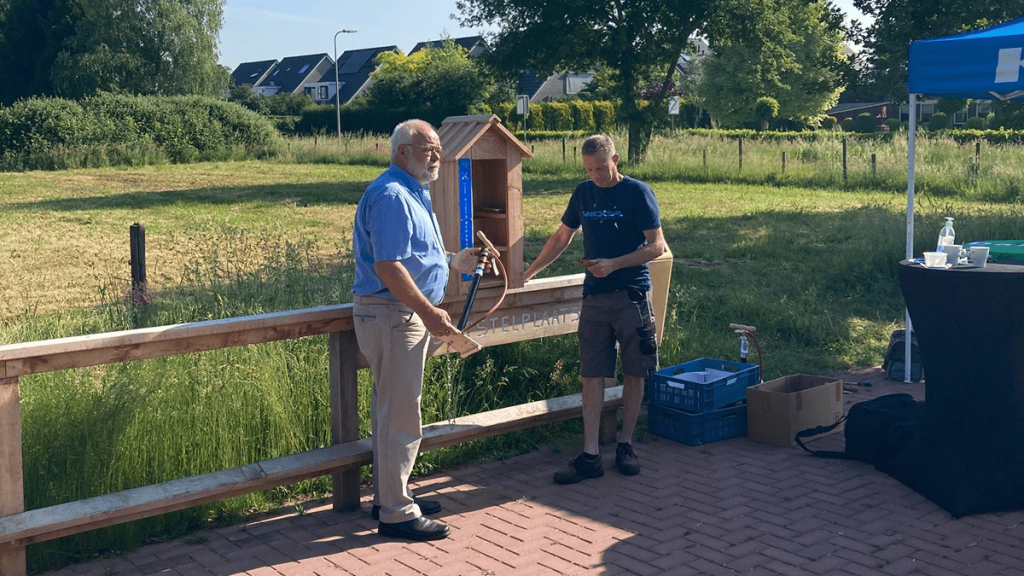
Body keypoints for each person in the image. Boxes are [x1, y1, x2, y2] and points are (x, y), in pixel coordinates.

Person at [352, 119, 482, 541]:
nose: (437, 158)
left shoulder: (411, 192)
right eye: (430, 150)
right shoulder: (392, 195)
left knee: (392, 409)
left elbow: (412, 254)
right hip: (395, 316)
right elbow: (388, 267)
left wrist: (452, 261)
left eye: (438, 150)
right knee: (401, 413)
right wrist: (429, 312)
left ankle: (392, 493)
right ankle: (395, 510)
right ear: (403, 151)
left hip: (400, 315)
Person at [524, 134, 668, 484]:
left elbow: (658, 246)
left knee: (634, 371)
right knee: (592, 374)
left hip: (631, 293)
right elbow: (562, 236)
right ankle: (590, 454)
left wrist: (614, 264)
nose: (596, 176)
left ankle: (626, 444)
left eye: (601, 168)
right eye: (589, 169)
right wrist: (527, 273)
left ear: (615, 159)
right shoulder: (583, 192)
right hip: (595, 297)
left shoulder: (637, 193)